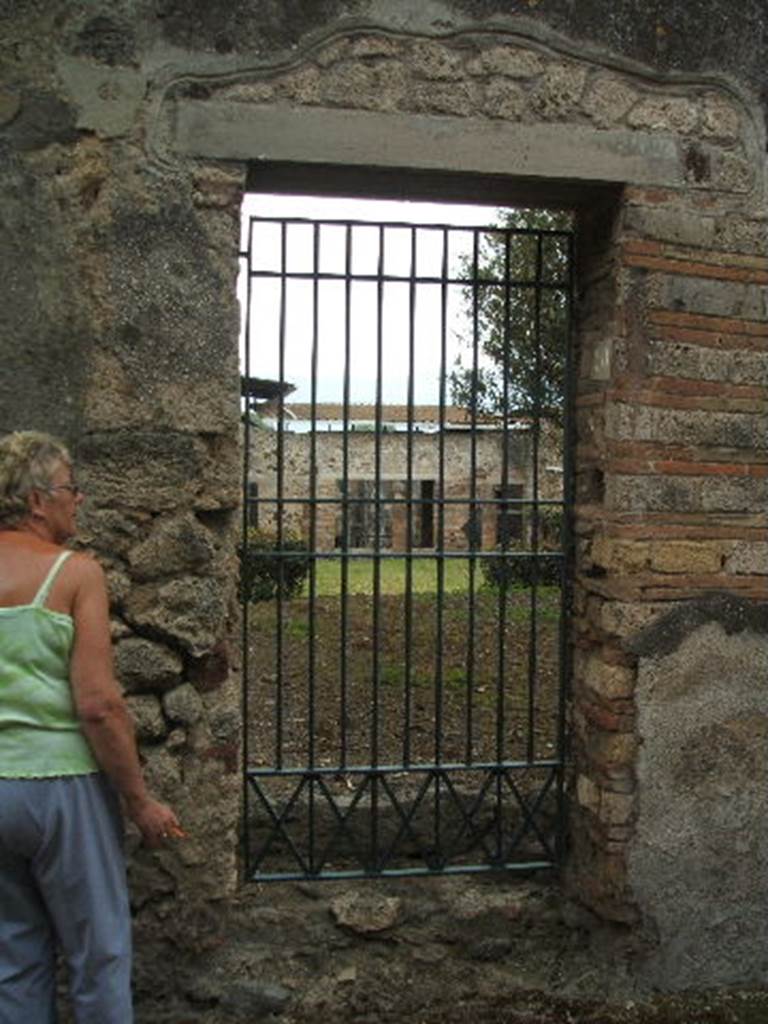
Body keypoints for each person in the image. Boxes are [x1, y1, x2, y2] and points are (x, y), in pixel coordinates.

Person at [0, 430, 182, 1023]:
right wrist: (139, 801)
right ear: (35, 501)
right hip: (61, 790)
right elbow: (99, 704)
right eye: (70, 489)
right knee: (97, 955)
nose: (78, 500)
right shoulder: (75, 574)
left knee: (14, 959)